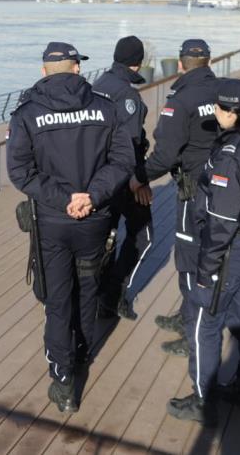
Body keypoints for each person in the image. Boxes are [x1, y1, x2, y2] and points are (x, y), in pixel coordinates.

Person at [6, 41, 134, 413]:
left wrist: (64, 199)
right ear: (76, 68)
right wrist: (91, 196)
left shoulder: (27, 113)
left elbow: (20, 171)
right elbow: (123, 160)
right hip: (94, 219)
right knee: (88, 289)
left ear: (44, 71)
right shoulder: (105, 107)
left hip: (52, 222)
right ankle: (81, 353)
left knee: (58, 299)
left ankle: (63, 380)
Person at [166, 79, 240, 425]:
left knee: (204, 322)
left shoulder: (232, 156)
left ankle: (203, 401)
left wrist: (205, 273)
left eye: (219, 108)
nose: (215, 112)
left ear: (232, 113)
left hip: (233, 247)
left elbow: (221, 223)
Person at [142, 39, 219, 358]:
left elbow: (165, 155)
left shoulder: (181, 100)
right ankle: (188, 313)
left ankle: (193, 331)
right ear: (209, 61)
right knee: (210, 254)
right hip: (222, 186)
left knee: (189, 259)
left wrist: (137, 178)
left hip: (192, 189)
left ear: (180, 63)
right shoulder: (223, 90)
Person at [93, 36, 154, 320]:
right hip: (123, 178)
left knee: (107, 234)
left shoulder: (98, 84)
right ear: (138, 63)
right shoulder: (128, 96)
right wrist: (140, 180)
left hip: (98, 176)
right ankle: (113, 293)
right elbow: (130, 143)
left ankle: (97, 292)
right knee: (144, 235)